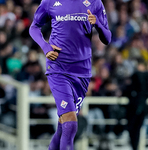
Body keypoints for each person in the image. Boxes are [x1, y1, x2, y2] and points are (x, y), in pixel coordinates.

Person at [29, 0, 111, 149]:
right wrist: (45, 46)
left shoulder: (94, 2)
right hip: (58, 68)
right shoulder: (50, 2)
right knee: (71, 123)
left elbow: (107, 38)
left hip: (82, 72)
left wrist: (98, 23)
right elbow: (34, 27)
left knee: (64, 125)